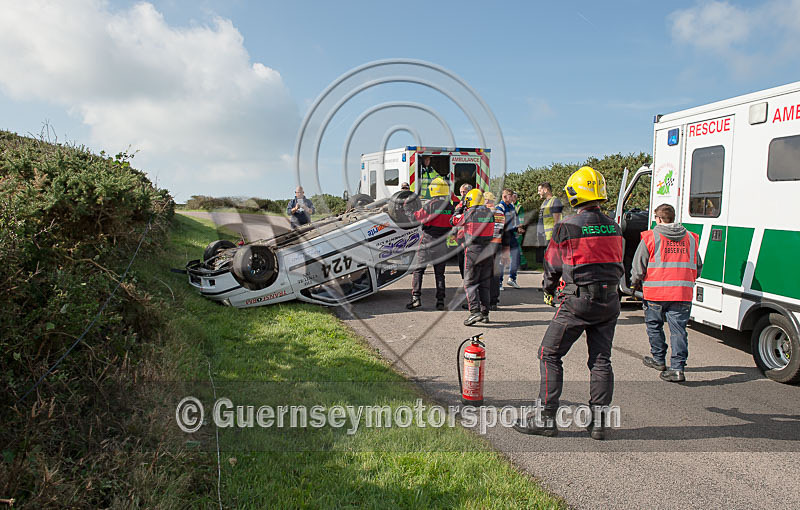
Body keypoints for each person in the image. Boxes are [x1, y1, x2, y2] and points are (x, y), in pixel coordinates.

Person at [513, 167, 624, 440]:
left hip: (578, 301)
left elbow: (552, 265)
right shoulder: (614, 226)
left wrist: (549, 290)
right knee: (601, 360)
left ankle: (545, 418)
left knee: (549, 354)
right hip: (609, 300)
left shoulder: (567, 226)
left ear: (575, 193)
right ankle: (599, 423)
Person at [630, 203, 703, 383]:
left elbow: (639, 265)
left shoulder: (651, 237)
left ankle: (658, 359)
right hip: (682, 292)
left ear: (659, 219)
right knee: (679, 331)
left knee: (654, 326)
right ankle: (677, 369)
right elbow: (698, 265)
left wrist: (634, 283)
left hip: (656, 293)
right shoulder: (690, 238)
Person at [407, 177, 453, 311]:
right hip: (442, 243)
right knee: (440, 274)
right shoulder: (450, 206)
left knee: (418, 270)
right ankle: (440, 301)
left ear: (433, 190)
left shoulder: (430, 205)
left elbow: (415, 218)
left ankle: (416, 298)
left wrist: (407, 210)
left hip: (427, 241)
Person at [451, 188, 495, 326]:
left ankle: (474, 312)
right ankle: (485, 313)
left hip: (473, 250)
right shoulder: (490, 213)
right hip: (488, 250)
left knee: (470, 282)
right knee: (484, 284)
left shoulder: (469, 213)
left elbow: (453, 221)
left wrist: (460, 208)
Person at [485, 192, 511, 311]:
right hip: (498, 245)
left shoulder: (483, 213)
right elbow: (506, 233)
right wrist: (506, 249)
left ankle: (483, 301)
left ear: (486, 201)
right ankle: (493, 301)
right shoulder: (500, 213)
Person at [496, 189, 521, 289]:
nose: (512, 197)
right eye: (511, 195)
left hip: (511, 234)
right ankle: (499, 282)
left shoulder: (511, 206)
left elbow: (514, 220)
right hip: (503, 236)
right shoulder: (500, 207)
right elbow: (500, 224)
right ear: (505, 196)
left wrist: (518, 228)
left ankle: (512, 278)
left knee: (516, 255)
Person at [536, 182, 563, 264]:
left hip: (550, 236)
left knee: (552, 260)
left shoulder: (555, 201)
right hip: (543, 235)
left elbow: (557, 221)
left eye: (539, 190)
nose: (538, 193)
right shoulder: (544, 202)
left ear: (545, 190)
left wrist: (555, 235)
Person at [452, 183, 473, 279]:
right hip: (461, 235)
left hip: (471, 234)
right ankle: (464, 278)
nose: (462, 194)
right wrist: (453, 233)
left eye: (464, 192)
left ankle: (470, 278)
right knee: (461, 258)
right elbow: (455, 220)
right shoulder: (460, 204)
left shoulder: (475, 203)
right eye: (461, 192)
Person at [512, 192, 528, 270]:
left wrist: (519, 229)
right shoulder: (510, 205)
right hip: (512, 230)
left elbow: (521, 220)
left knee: (517, 248)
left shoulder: (518, 207)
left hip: (517, 231)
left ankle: (523, 263)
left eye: (513, 197)